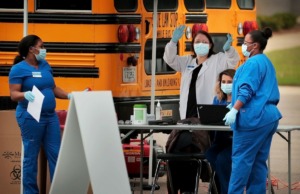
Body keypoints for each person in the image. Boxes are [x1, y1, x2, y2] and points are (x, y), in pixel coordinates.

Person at [164, 25, 240, 194]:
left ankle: (215, 187)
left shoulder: (218, 59)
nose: (201, 44)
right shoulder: (187, 62)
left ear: (211, 45)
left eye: (204, 42)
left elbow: (232, 62)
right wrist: (173, 41)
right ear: (192, 45)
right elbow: (169, 59)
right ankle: (186, 189)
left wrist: (229, 50)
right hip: (187, 118)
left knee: (203, 152)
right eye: (197, 42)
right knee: (184, 151)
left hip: (206, 118)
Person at [8, 35, 72, 194]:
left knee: (56, 154)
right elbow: (13, 94)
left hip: (50, 117)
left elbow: (53, 87)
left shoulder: (45, 65)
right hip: (30, 116)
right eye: (41, 46)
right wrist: (25, 94)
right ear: (31, 49)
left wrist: (69, 95)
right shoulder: (18, 69)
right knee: (31, 156)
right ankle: (30, 192)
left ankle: (60, 190)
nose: (44, 50)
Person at [223, 27, 282, 194]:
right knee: (257, 163)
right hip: (268, 117)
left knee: (241, 162)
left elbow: (246, 90)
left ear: (255, 45)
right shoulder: (265, 61)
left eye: (245, 43)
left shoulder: (252, 63)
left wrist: (235, 109)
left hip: (253, 119)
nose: (243, 45)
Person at [205, 69, 236, 194]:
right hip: (220, 141)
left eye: (230, 82)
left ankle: (226, 191)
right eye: (223, 81)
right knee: (210, 155)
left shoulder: (240, 101)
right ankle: (218, 189)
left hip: (236, 142)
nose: (226, 84)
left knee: (222, 160)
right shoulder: (217, 100)